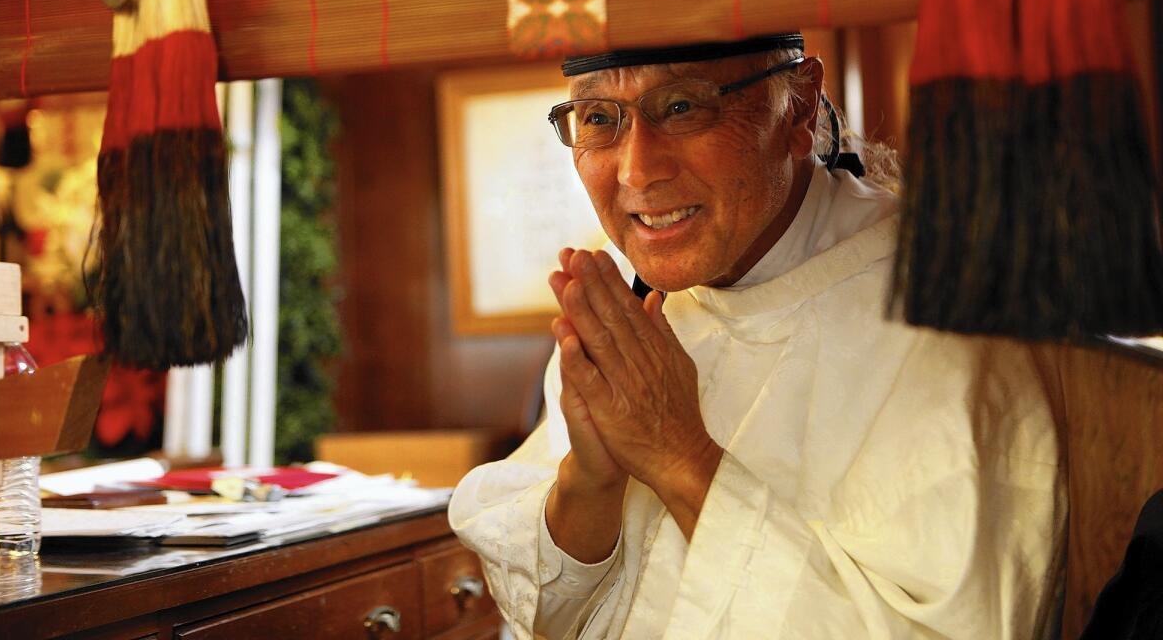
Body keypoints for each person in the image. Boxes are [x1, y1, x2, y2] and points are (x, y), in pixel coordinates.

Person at [448, 33, 1067, 639]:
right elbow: (542, 614)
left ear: (796, 106)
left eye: (682, 106)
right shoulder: (632, 306)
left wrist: (678, 456)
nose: (637, 172)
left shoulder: (941, 317)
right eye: (599, 118)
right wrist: (593, 476)